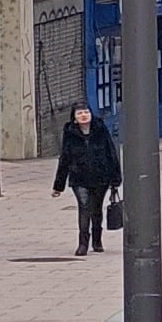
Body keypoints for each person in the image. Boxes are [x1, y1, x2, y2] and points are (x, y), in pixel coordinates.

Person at [52, 103, 122, 256]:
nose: (83, 115)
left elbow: (111, 152)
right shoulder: (69, 132)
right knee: (84, 207)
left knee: (96, 209)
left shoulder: (100, 129)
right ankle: (83, 243)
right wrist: (59, 185)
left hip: (100, 176)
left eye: (86, 112)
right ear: (75, 118)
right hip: (79, 177)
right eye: (79, 113)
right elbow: (65, 157)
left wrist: (116, 178)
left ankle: (97, 240)